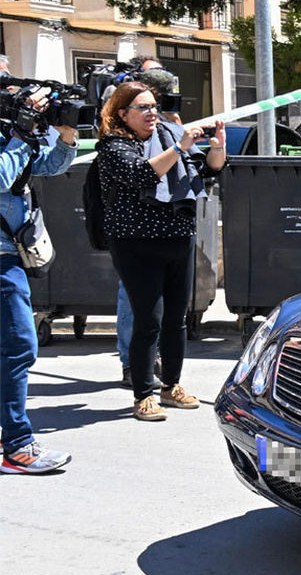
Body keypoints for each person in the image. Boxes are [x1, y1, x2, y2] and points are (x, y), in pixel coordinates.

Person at [97, 82, 226, 421]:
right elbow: (142, 174)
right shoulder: (113, 146)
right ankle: (143, 394)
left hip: (178, 236)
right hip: (135, 243)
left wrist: (217, 149)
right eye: (143, 107)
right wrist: (181, 147)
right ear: (123, 113)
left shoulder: (170, 135)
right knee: (148, 319)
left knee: (176, 319)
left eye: (154, 106)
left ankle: (171, 385)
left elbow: (209, 169)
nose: (152, 113)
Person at [1, 95, 79, 473]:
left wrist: (65, 136)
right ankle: (15, 446)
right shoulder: (11, 135)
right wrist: (20, 132)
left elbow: (45, 167)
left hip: (10, 255)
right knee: (19, 347)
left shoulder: (10, 135)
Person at [114, 57, 176, 388]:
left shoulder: (160, 118)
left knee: (160, 300)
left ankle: (155, 357)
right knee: (131, 297)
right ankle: (131, 362)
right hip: (133, 227)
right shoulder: (121, 124)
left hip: (165, 222)